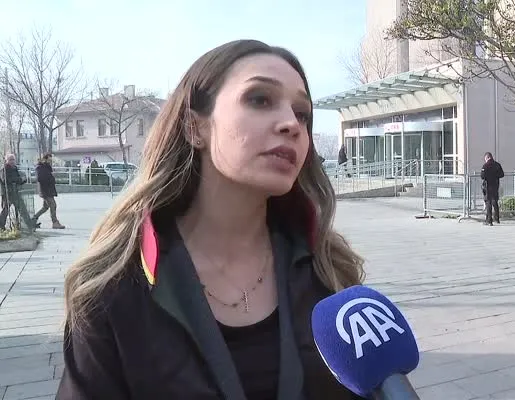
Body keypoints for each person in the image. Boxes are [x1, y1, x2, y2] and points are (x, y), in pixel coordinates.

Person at [57, 40, 366, 400]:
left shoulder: (330, 270)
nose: (291, 124)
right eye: (260, 99)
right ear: (194, 127)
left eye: (302, 114)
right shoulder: (112, 289)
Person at [0, 153, 36, 231]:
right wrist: (18, 179)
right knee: (5, 211)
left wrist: (22, 180)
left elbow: (18, 180)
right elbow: (5, 180)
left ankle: (29, 226)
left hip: (15, 192)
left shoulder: (15, 168)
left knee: (23, 209)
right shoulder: (4, 169)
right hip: (7, 193)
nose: (12, 161)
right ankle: (1, 226)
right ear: (6, 160)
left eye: (13, 159)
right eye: (10, 160)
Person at [31, 153, 65, 229]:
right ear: (44, 159)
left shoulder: (47, 167)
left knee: (45, 207)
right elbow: (40, 178)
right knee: (53, 205)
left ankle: (33, 219)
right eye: (49, 159)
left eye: (51, 159)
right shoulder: (40, 167)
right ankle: (55, 222)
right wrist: (50, 179)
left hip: (49, 190)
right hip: (45, 190)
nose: (50, 161)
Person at [480, 152, 504, 226]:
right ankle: (497, 218)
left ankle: (489, 220)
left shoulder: (485, 165)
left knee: (488, 203)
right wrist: (495, 176)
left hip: (488, 186)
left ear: (487, 157)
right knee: (495, 201)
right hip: (495, 185)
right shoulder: (497, 165)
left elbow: (482, 176)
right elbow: (502, 174)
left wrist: (488, 176)